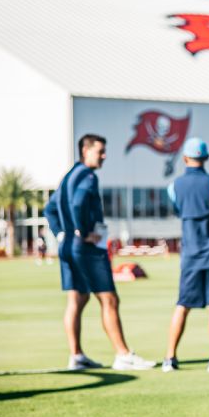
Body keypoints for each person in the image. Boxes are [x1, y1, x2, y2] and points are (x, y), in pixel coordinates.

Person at [45, 134, 156, 371]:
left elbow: (50, 208)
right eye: (100, 151)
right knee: (109, 299)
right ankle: (123, 355)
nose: (104, 156)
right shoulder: (87, 175)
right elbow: (77, 204)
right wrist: (82, 232)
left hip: (67, 247)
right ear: (85, 151)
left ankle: (76, 356)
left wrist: (62, 234)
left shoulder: (68, 177)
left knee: (77, 299)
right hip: (86, 248)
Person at [162, 137, 209, 372]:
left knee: (183, 304)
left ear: (185, 159)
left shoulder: (174, 186)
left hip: (190, 252)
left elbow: (177, 209)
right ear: (205, 158)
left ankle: (169, 358)